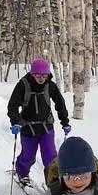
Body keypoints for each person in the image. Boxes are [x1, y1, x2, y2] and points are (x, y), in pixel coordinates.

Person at [7, 57, 70, 186]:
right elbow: (12, 106)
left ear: (48, 74)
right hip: (28, 127)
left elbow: (60, 103)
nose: (41, 78)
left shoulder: (50, 85)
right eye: (38, 75)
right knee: (28, 156)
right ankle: (22, 174)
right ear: (32, 74)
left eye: (44, 75)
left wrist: (65, 122)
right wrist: (15, 122)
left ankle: (53, 181)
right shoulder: (23, 85)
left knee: (50, 156)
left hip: (46, 127)